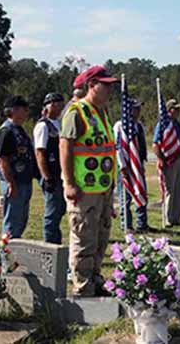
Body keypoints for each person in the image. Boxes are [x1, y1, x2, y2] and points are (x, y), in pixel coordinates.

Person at [60, 65, 119, 297]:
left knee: (100, 237)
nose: (109, 90)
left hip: (102, 187)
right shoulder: (77, 112)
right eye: (105, 85)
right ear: (92, 85)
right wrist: (69, 183)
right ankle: (82, 286)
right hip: (83, 189)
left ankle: (94, 278)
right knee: (84, 237)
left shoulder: (102, 112)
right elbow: (65, 147)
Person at [0, 96, 36, 238]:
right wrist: (10, 184)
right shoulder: (6, 131)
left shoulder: (19, 129)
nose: (26, 113)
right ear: (14, 111)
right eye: (24, 110)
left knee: (21, 221)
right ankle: (6, 257)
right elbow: (3, 161)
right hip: (14, 182)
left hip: (24, 180)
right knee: (12, 223)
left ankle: (16, 253)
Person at [114, 99, 151, 233]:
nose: (138, 111)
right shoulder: (120, 125)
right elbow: (118, 147)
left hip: (137, 165)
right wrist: (122, 166)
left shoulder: (138, 125)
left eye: (139, 108)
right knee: (126, 197)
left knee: (140, 192)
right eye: (136, 108)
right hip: (125, 165)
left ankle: (142, 224)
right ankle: (127, 225)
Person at [33, 93, 66, 244]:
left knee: (60, 209)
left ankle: (56, 242)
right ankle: (50, 246)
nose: (61, 107)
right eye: (59, 104)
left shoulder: (57, 124)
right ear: (51, 105)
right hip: (50, 174)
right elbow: (40, 153)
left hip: (60, 173)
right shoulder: (43, 126)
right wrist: (46, 177)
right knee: (52, 212)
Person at [153, 99, 180, 227]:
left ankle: (176, 217)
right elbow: (155, 144)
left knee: (179, 190)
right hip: (168, 161)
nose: (178, 111)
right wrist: (161, 159)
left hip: (179, 159)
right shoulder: (162, 124)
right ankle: (167, 218)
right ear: (169, 110)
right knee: (169, 190)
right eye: (175, 109)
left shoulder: (177, 124)